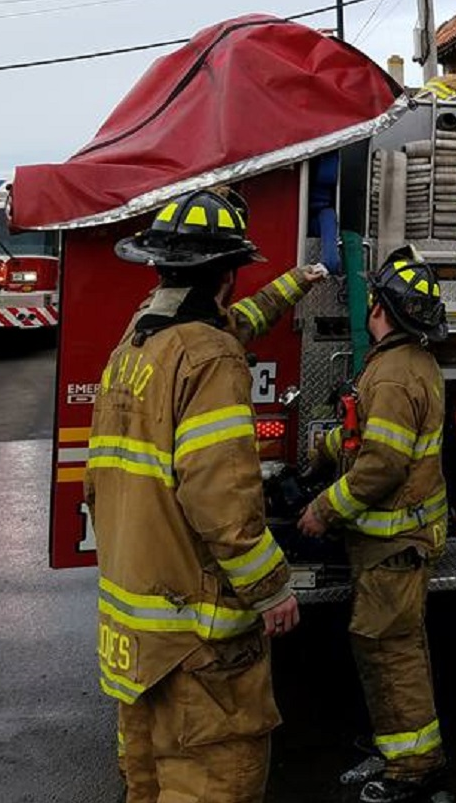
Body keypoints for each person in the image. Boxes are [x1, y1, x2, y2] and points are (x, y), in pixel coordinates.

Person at [89, 188, 321, 802]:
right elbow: (219, 497)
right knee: (217, 780)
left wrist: (297, 282)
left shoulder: (139, 341)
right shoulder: (211, 358)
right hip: (200, 639)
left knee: (147, 781)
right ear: (228, 274)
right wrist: (271, 586)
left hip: (139, 635)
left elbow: (234, 322)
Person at [297, 245, 450, 803]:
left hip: (392, 542)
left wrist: (323, 509)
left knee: (389, 649)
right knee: (393, 644)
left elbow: (383, 466)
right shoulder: (409, 363)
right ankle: (398, 741)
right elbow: (374, 441)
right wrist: (328, 445)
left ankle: (415, 766)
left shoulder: (391, 376)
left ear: (382, 309)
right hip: (398, 541)